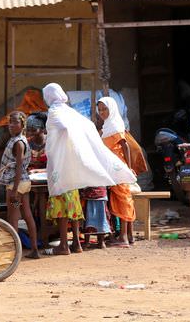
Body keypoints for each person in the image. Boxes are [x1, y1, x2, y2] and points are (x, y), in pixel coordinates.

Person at [42, 83, 136, 255]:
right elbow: (88, 126)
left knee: (60, 205)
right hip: (73, 166)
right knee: (73, 204)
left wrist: (63, 139)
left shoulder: (55, 111)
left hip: (61, 166)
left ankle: (64, 245)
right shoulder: (70, 112)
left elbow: (63, 128)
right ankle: (76, 243)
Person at [97, 96, 148, 247]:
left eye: (104, 109)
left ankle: (123, 237)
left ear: (111, 109)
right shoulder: (106, 127)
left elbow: (125, 147)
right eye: (100, 110)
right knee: (120, 200)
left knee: (123, 200)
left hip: (119, 168)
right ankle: (129, 236)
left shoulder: (115, 125)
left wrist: (128, 167)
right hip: (112, 170)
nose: (102, 112)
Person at [0, 111, 41, 259]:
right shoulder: (19, 140)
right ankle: (34, 249)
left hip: (16, 184)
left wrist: (15, 190)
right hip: (23, 182)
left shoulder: (18, 143)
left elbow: (18, 166)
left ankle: (15, 252)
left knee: (14, 216)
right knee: (27, 214)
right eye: (10, 122)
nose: (11, 125)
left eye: (15, 122)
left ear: (22, 125)